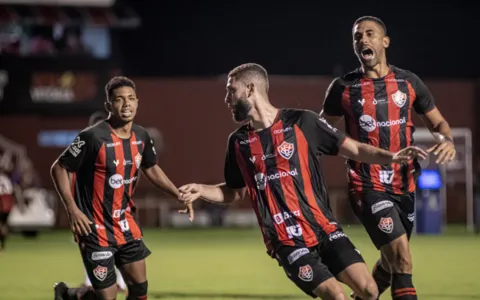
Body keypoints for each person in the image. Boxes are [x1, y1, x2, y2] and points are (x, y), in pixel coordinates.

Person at [179, 63, 427, 300]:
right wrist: (201, 190)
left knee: (370, 290)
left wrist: (391, 157)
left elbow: (354, 149)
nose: (227, 99)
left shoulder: (303, 122)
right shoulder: (238, 143)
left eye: (231, 90)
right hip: (286, 241)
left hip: (325, 230)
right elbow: (234, 192)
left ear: (251, 89)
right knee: (337, 296)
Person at [320, 16, 456, 300]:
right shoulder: (343, 88)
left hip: (404, 184)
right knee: (403, 259)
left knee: (388, 261)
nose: (363, 40)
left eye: (370, 34)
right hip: (366, 185)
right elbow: (321, 131)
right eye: (357, 36)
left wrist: (448, 141)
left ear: (385, 42)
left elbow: (439, 125)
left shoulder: (409, 82)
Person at [51, 76, 193, 300]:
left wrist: (178, 194)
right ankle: (72, 294)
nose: (126, 104)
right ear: (109, 106)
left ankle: (70, 294)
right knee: (107, 297)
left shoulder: (142, 136)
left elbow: (151, 168)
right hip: (94, 229)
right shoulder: (91, 137)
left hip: (126, 225)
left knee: (139, 291)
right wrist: (72, 209)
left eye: (130, 99)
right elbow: (59, 168)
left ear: (137, 102)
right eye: (119, 100)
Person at [80, 111, 128, 293]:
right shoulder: (85, 151)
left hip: (115, 208)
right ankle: (91, 282)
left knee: (121, 244)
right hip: (92, 209)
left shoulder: (117, 148)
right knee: (94, 247)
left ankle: (120, 282)